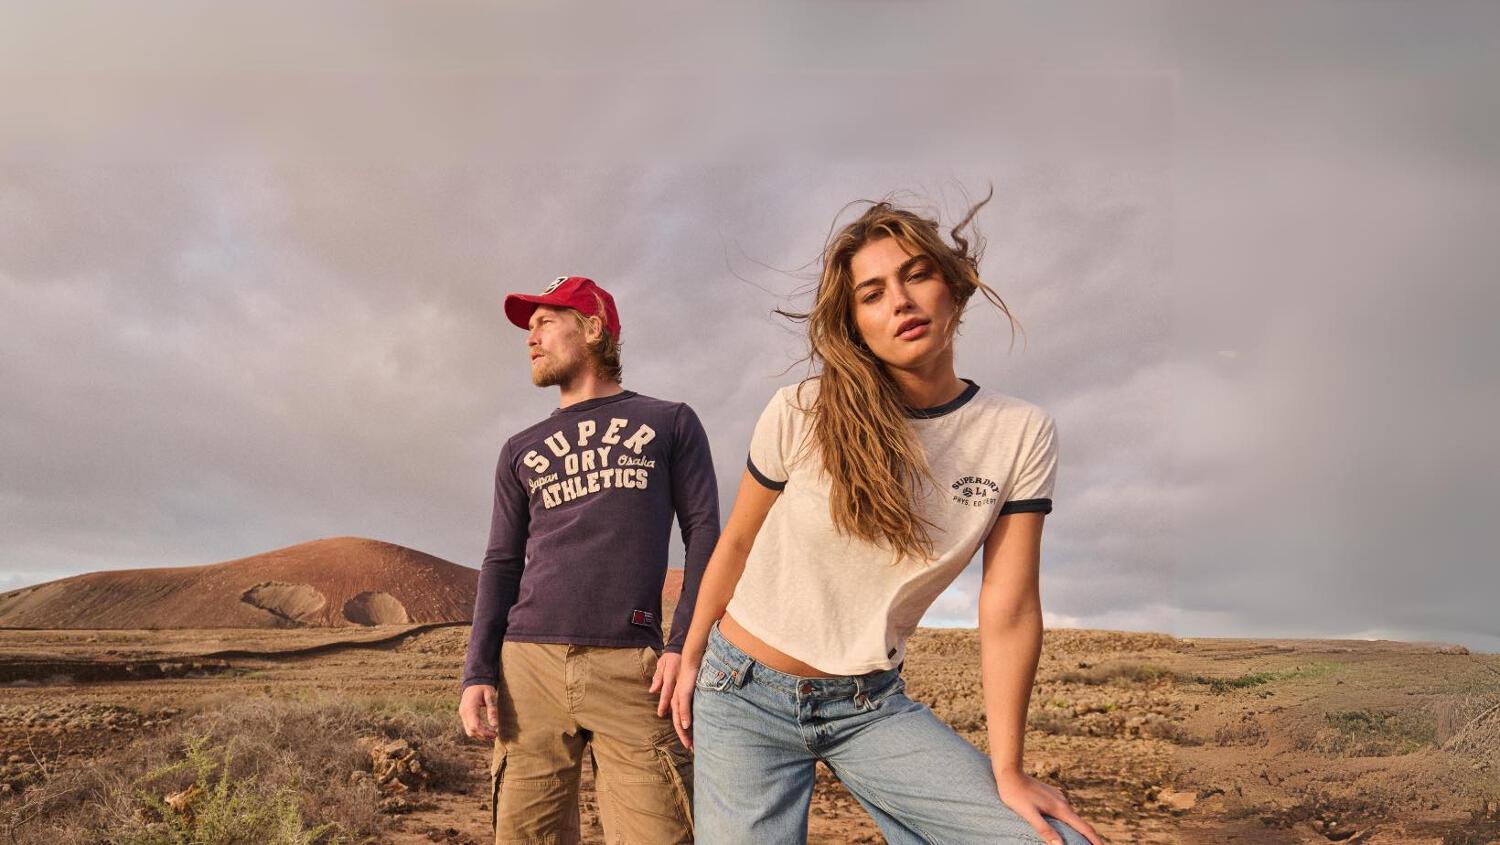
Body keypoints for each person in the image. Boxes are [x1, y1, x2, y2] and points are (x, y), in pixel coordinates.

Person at [669, 198, 1104, 845]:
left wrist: (1009, 770)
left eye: (916, 274)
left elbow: (1008, 605)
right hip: (742, 692)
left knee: (1053, 840)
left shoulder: (1017, 434)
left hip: (868, 705)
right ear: (855, 324)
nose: (899, 300)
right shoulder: (802, 410)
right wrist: (690, 651)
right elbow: (736, 540)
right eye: (872, 293)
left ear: (952, 288)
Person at [459, 275, 719, 845]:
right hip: (528, 669)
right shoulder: (518, 449)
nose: (531, 337)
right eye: (528, 328)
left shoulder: (669, 421)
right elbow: (502, 562)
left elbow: (704, 534)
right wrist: (478, 670)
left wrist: (683, 645)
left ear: (594, 328)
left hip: (635, 671)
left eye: (546, 322)